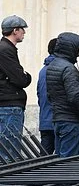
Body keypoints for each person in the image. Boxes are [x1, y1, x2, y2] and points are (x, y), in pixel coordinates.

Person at [46, 32, 79, 157]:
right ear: (70, 49)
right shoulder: (68, 69)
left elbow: (50, 95)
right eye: (77, 49)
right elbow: (75, 96)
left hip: (58, 119)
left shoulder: (52, 66)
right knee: (68, 163)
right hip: (71, 121)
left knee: (60, 162)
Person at [0, 15, 31, 154]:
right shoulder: (5, 50)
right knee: (9, 153)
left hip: (8, 104)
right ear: (14, 30)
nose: (24, 32)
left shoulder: (6, 48)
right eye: (22, 29)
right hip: (9, 105)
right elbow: (21, 79)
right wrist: (26, 76)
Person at [37, 38, 57, 155]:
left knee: (43, 160)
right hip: (59, 120)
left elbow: (39, 95)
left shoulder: (42, 70)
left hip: (45, 120)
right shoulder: (63, 68)